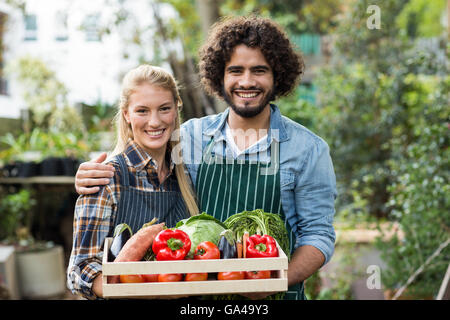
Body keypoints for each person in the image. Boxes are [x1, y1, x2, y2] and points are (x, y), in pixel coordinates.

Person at [74, 16, 337, 300]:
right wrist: (91, 175)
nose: (246, 81)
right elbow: (142, 158)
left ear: (277, 76)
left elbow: (318, 235)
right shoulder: (189, 137)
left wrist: (276, 280)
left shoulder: (308, 149)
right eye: (235, 70)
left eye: (259, 70)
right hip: (199, 301)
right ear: (219, 76)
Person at [67, 64, 199, 299]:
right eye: (142, 111)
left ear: (176, 109)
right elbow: (80, 270)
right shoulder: (107, 178)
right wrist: (141, 291)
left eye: (164, 109)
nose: (155, 121)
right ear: (126, 114)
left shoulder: (183, 176)